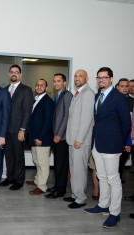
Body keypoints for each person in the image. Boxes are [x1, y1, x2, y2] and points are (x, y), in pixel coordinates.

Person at [84, 67, 131, 229]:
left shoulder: (119, 98)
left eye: (105, 77)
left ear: (111, 79)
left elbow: (126, 123)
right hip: (98, 143)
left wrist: (122, 141)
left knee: (113, 179)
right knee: (102, 177)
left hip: (112, 145)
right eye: (99, 77)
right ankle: (103, 205)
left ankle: (115, 213)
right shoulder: (98, 95)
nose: (101, 80)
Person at [65, 69, 94, 209]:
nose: (77, 78)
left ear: (86, 78)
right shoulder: (78, 93)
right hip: (73, 139)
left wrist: (79, 139)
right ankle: (75, 195)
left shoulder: (88, 94)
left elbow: (87, 119)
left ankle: (81, 198)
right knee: (74, 169)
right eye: (75, 76)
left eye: (80, 76)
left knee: (79, 170)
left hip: (80, 141)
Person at [0, 64, 32, 191]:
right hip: (6, 130)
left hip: (18, 129)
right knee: (8, 155)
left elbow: (27, 111)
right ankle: (10, 177)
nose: (14, 74)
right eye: (12, 72)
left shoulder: (26, 90)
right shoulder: (4, 89)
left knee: (18, 156)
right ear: (9, 74)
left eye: (17, 72)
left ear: (20, 75)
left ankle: (19, 180)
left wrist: (22, 129)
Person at [45, 73, 72, 199]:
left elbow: (67, 116)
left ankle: (60, 190)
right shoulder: (58, 95)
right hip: (57, 136)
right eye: (54, 81)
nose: (56, 83)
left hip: (62, 137)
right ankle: (57, 186)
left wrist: (59, 134)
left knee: (62, 164)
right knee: (57, 163)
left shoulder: (67, 95)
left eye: (59, 81)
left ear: (64, 83)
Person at [28, 79, 55, 195]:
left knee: (42, 163)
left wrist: (40, 137)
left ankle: (42, 186)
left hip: (42, 138)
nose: (39, 87)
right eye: (37, 85)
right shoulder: (37, 99)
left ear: (46, 87)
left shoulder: (48, 102)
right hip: (35, 136)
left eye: (42, 85)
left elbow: (48, 122)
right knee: (37, 161)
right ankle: (37, 180)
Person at [115, 78, 133, 182]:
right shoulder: (112, 100)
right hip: (113, 137)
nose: (125, 88)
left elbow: (131, 124)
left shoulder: (132, 101)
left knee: (121, 163)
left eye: (127, 86)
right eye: (122, 86)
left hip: (126, 138)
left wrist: (128, 142)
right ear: (117, 87)